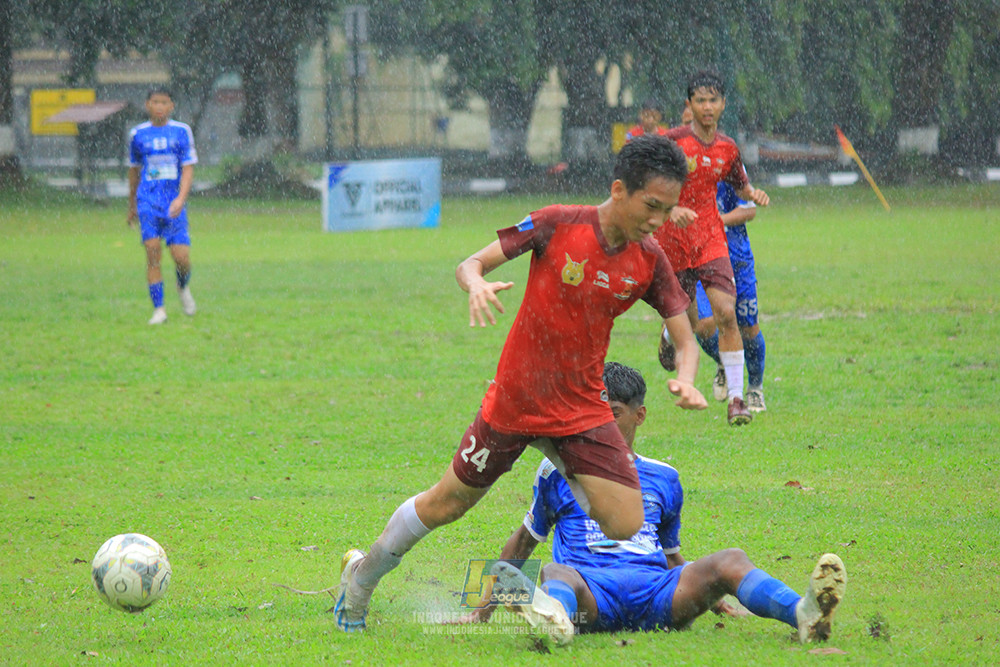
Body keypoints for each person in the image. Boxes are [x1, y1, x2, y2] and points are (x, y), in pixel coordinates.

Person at [334, 134, 708, 632]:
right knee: (446, 504)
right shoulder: (558, 222)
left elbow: (685, 338)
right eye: (652, 206)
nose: (659, 220)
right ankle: (360, 580)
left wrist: (686, 378)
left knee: (625, 523)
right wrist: (477, 285)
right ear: (619, 190)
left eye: (668, 209)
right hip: (516, 401)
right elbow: (470, 263)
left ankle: (558, 492)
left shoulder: (649, 258)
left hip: (580, 409)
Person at [456, 362, 845, 646]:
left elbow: (673, 556)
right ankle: (556, 620)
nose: (601, 427)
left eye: (614, 416)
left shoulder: (664, 477)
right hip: (590, 594)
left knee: (730, 558)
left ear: (639, 416)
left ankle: (803, 612)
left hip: (658, 595)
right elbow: (524, 541)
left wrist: (713, 594)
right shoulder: (557, 470)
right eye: (593, 417)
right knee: (558, 572)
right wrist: (482, 609)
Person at [654, 71, 770, 426]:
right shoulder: (672, 143)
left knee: (726, 313)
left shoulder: (728, 148)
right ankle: (669, 331)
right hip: (674, 245)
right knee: (696, 326)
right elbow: (643, 179)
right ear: (689, 105)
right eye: (699, 100)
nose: (706, 107)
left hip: (710, 241)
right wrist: (670, 209)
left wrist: (753, 195)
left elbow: (740, 182)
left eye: (713, 100)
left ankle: (737, 399)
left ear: (723, 105)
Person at [691, 179, 768, 412]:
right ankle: (725, 362)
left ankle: (755, 389)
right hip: (700, 257)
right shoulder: (685, 163)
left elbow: (749, 209)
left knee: (748, 328)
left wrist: (713, 222)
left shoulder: (726, 159)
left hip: (737, 258)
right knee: (704, 324)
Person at [127, 87, 198, 325]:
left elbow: (188, 168)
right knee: (152, 252)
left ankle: (182, 285)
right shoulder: (137, 134)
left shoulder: (181, 131)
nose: (159, 106)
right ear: (147, 104)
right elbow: (134, 171)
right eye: (155, 102)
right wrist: (132, 206)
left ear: (171, 106)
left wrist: (180, 198)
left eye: (164, 102)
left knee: (181, 258)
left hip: (173, 203)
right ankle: (159, 310)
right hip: (148, 201)